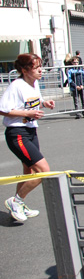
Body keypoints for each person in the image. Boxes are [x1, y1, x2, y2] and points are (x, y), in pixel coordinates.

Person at [1, 53, 55, 222]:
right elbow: (3, 109)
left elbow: (33, 100)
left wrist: (44, 103)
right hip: (17, 133)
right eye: (36, 67)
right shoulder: (17, 85)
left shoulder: (34, 84)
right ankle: (15, 201)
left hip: (31, 131)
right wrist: (27, 113)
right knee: (44, 171)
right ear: (24, 70)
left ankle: (20, 203)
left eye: (40, 66)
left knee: (29, 172)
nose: (40, 70)